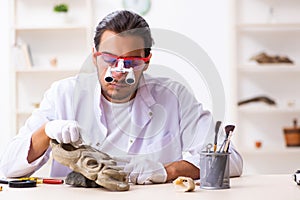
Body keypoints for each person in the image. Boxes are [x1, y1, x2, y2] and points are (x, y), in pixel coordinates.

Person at [0, 10, 243, 184]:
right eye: (109, 59)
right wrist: (46, 131)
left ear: (146, 62)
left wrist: (166, 171)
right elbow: (9, 167)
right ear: (94, 56)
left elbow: (230, 160)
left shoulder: (174, 96)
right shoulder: (63, 94)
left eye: (132, 62)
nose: (119, 71)